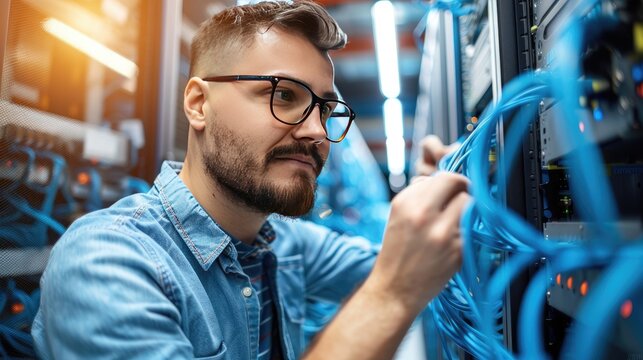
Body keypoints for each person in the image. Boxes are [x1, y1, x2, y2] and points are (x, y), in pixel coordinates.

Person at [31, 1, 468, 359]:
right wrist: (390, 295)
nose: (317, 132)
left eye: (325, 110)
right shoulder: (108, 262)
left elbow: (410, 258)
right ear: (199, 104)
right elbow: (396, 276)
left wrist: (431, 195)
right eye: (283, 95)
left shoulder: (282, 243)